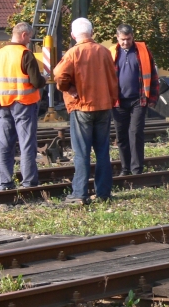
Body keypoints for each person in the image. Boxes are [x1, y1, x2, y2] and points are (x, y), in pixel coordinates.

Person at [53, 17, 117, 204]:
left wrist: (69, 89)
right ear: (92, 32)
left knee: (82, 152)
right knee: (103, 150)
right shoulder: (105, 52)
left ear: (73, 35)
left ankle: (80, 193)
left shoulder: (73, 53)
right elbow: (113, 79)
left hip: (82, 107)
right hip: (104, 106)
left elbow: (59, 75)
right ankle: (103, 192)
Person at [0, 22, 46, 190]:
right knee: (26, 143)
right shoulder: (26, 54)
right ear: (23, 35)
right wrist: (45, 78)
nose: (29, 40)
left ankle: (5, 182)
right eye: (29, 36)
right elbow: (36, 81)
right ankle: (29, 182)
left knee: (4, 145)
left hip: (3, 104)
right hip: (24, 103)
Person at [109, 23, 159, 176]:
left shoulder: (142, 51)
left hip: (139, 99)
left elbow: (153, 74)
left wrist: (153, 97)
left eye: (128, 39)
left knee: (136, 133)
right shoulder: (111, 52)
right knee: (122, 136)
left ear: (133, 37)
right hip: (118, 102)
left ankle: (137, 169)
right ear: (117, 38)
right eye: (123, 39)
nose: (126, 42)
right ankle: (125, 168)